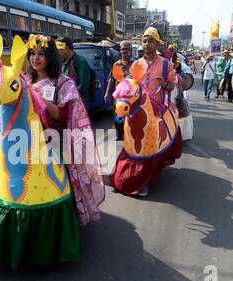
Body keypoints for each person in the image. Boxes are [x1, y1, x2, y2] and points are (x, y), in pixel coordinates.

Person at [27, 34, 105, 235]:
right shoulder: (25, 81)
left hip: (57, 144)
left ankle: (63, 225)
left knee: (60, 185)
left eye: (41, 54)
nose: (35, 58)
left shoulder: (63, 82)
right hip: (29, 144)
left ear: (51, 57)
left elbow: (64, 116)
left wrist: (39, 100)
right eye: (32, 53)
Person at [109, 27, 181, 197]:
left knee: (150, 144)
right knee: (132, 141)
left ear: (157, 44)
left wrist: (165, 84)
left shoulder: (165, 64)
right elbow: (131, 84)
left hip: (157, 107)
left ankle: (145, 179)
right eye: (145, 40)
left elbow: (172, 85)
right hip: (137, 108)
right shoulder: (136, 64)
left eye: (151, 41)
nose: (147, 44)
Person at [104, 40, 134, 141]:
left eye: (126, 49)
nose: (124, 51)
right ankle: (120, 135)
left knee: (131, 115)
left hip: (131, 96)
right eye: (122, 49)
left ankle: (131, 134)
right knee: (118, 115)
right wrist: (107, 93)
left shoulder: (135, 64)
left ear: (130, 50)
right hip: (119, 96)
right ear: (120, 50)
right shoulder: (116, 65)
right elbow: (111, 79)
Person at [56, 36, 91, 111]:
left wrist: (69, 95)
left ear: (67, 48)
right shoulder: (63, 63)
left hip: (79, 104)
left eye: (59, 49)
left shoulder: (81, 61)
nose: (57, 52)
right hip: (66, 103)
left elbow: (84, 85)